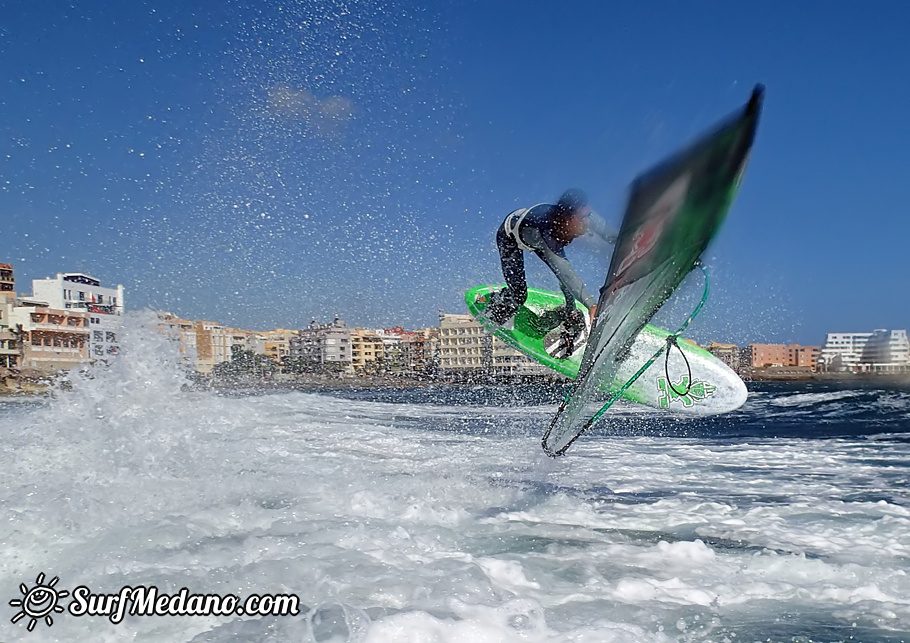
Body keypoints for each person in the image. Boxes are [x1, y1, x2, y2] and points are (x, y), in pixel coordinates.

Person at [480, 189, 617, 352]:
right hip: (510, 237)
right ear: (568, 218)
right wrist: (591, 305)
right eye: (583, 218)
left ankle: (571, 315)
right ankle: (501, 302)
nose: (588, 222)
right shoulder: (548, 233)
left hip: (537, 234)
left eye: (588, 215)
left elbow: (609, 233)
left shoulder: (580, 214)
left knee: (565, 283)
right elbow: (566, 273)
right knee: (520, 295)